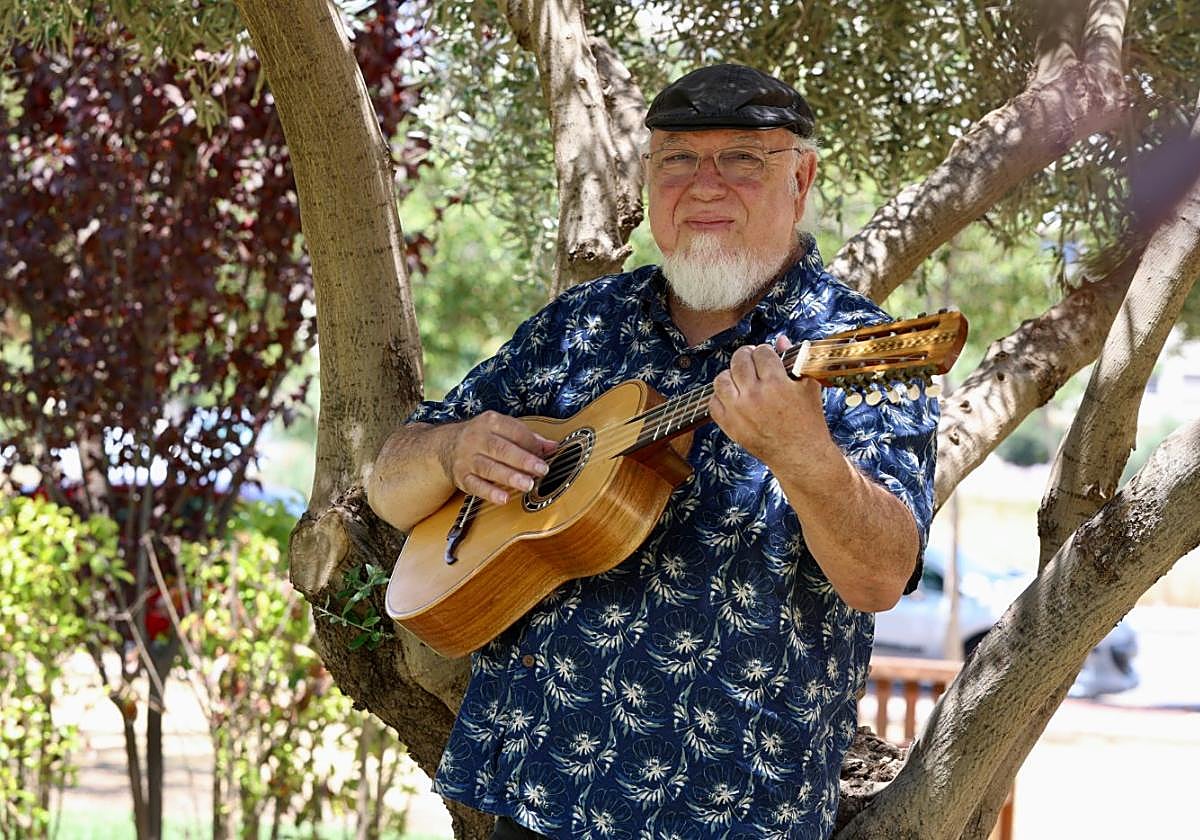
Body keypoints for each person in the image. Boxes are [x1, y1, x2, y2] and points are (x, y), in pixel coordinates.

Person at [368, 64, 938, 840]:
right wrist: (450, 451)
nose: (704, 185)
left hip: (728, 815)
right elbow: (389, 487)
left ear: (800, 180)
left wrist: (807, 457)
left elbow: (881, 575)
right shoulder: (582, 324)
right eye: (677, 158)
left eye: (743, 158)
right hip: (536, 799)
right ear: (647, 181)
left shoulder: (860, 349)